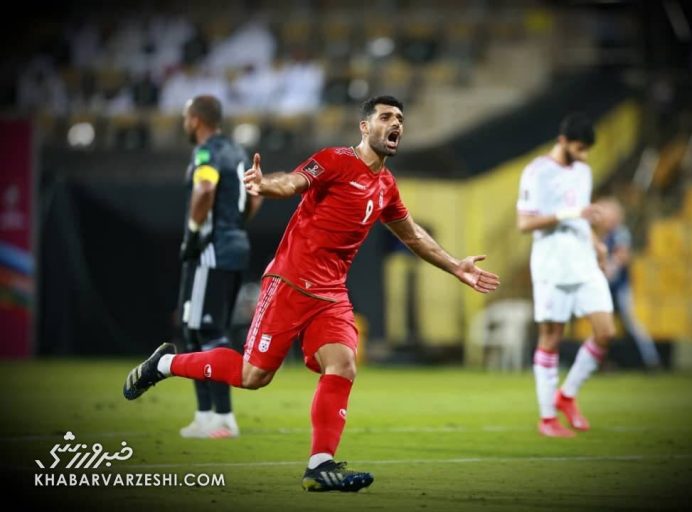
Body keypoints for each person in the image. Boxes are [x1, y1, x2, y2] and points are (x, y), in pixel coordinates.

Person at [123, 95, 500, 491]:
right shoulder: (335, 160)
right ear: (364, 127)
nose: (396, 124)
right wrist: (264, 184)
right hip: (289, 281)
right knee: (253, 376)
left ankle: (320, 465)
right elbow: (293, 181)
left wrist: (455, 265)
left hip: (332, 292)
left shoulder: (386, 185)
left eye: (401, 119)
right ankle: (163, 365)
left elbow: (413, 235)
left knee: (344, 364)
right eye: (386, 117)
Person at [516, 112, 616, 438]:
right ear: (562, 141)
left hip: (584, 261)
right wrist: (572, 213)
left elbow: (582, 218)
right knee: (552, 338)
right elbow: (525, 223)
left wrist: (597, 245)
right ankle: (547, 419)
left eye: (587, 149)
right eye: (579, 148)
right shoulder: (537, 172)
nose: (584, 155)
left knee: (605, 332)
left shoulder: (583, 172)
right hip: (551, 266)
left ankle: (567, 395)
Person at [175, 95, 263, 439]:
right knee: (196, 329)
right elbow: (255, 195)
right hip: (234, 245)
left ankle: (223, 416)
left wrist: (196, 232)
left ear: (195, 119)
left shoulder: (207, 151)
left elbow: (205, 190)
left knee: (205, 331)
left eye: (186, 117)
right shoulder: (238, 153)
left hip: (210, 250)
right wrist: (236, 225)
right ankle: (205, 415)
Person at [593, 197, 661, 370]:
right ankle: (602, 362)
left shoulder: (620, 233)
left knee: (632, 324)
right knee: (602, 327)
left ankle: (652, 361)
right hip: (606, 289)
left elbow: (623, 256)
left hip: (620, 288)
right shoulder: (602, 235)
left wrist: (608, 269)